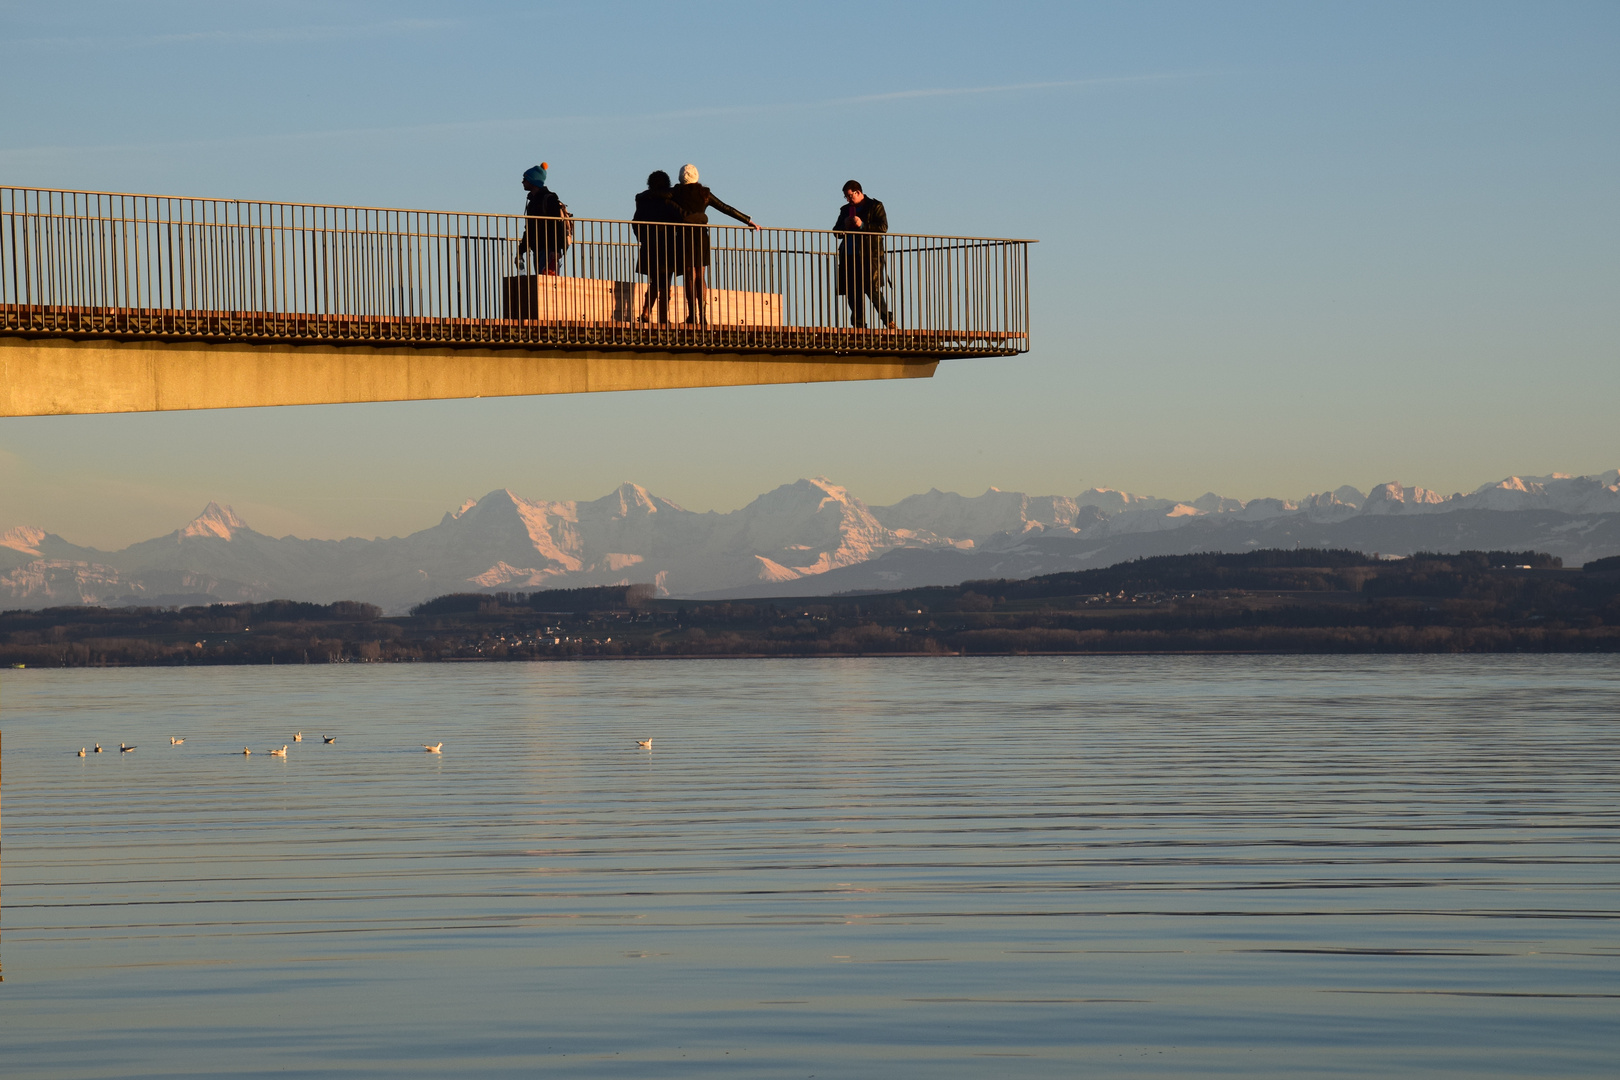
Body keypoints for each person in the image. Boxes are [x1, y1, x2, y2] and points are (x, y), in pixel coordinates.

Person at [668, 164, 759, 325]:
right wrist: (747, 220)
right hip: (701, 237)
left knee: (690, 276)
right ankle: (703, 315)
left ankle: (692, 315)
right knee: (700, 276)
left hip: (684, 236)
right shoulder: (704, 193)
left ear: (681, 177)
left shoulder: (676, 193)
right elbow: (725, 208)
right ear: (697, 176)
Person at [833, 180, 894, 329]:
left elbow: (883, 227)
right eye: (846, 197)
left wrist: (862, 225)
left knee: (872, 290)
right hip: (849, 256)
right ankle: (859, 326)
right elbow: (836, 232)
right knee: (853, 293)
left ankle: (888, 321)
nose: (848, 199)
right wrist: (844, 226)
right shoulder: (845, 210)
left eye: (849, 196)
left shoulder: (875, 206)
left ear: (858, 192)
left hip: (869, 256)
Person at [632, 170, 681, 323]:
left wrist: (642, 238)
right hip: (668, 244)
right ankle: (663, 316)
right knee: (666, 282)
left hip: (650, 244)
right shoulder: (671, 199)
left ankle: (646, 312)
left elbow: (635, 222)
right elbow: (679, 219)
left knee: (654, 281)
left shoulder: (643, 199)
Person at [514, 163, 567, 276]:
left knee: (548, 285)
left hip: (549, 249)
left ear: (533, 181)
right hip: (538, 248)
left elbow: (557, 225)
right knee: (542, 283)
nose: (522, 182)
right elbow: (529, 229)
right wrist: (521, 250)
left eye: (525, 179)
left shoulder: (549, 199)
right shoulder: (533, 202)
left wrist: (556, 249)